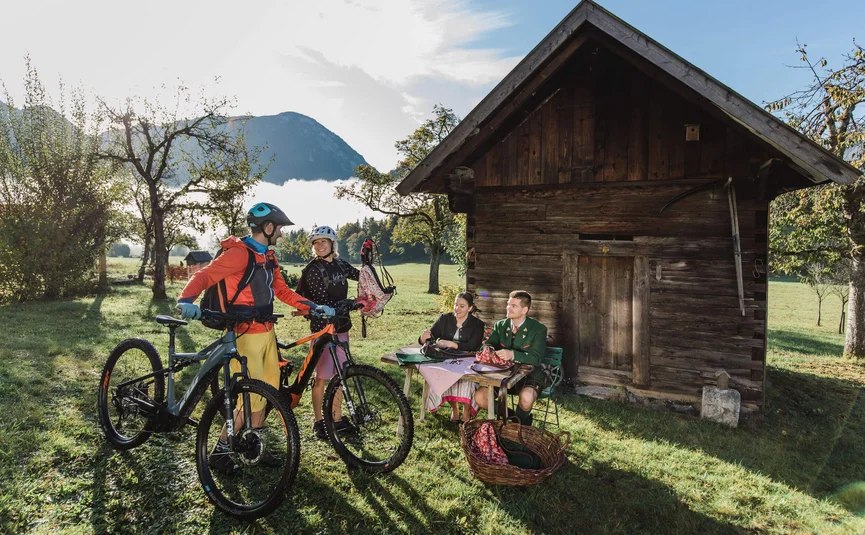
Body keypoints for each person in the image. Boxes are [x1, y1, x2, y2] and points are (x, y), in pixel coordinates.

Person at [175, 202, 333, 467]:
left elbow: (282, 292)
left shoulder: (269, 258)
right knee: (251, 394)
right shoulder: (240, 254)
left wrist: (314, 307)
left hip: (267, 333)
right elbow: (204, 276)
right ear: (268, 227)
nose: (282, 233)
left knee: (268, 391)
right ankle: (221, 451)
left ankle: (253, 446)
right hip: (244, 333)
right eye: (279, 228)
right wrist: (186, 300)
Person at [297, 225, 361, 440]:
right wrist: (349, 302)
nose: (319, 246)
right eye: (316, 243)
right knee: (321, 378)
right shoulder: (313, 270)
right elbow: (321, 301)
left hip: (341, 327)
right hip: (322, 331)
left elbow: (362, 277)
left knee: (340, 375)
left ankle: (336, 418)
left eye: (323, 241)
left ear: (333, 243)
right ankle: (319, 422)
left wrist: (370, 269)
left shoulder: (341, 265)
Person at [473, 290, 547, 426]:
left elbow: (536, 358)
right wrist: (488, 350)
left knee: (526, 398)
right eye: (508, 304)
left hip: (528, 374)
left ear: (524, 309)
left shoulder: (538, 329)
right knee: (480, 397)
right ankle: (514, 419)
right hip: (502, 374)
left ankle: (517, 427)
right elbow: (488, 344)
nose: (508, 308)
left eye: (514, 306)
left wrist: (513, 354)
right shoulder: (501, 325)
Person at [418, 292, 485, 422]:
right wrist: (422, 338)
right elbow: (430, 337)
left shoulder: (477, 324)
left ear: (470, 308)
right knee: (441, 376)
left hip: (467, 359)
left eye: (462, 306)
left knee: (467, 381)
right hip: (446, 357)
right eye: (455, 305)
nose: (457, 309)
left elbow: (473, 345)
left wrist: (451, 344)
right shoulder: (445, 318)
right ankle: (454, 408)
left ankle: (466, 411)